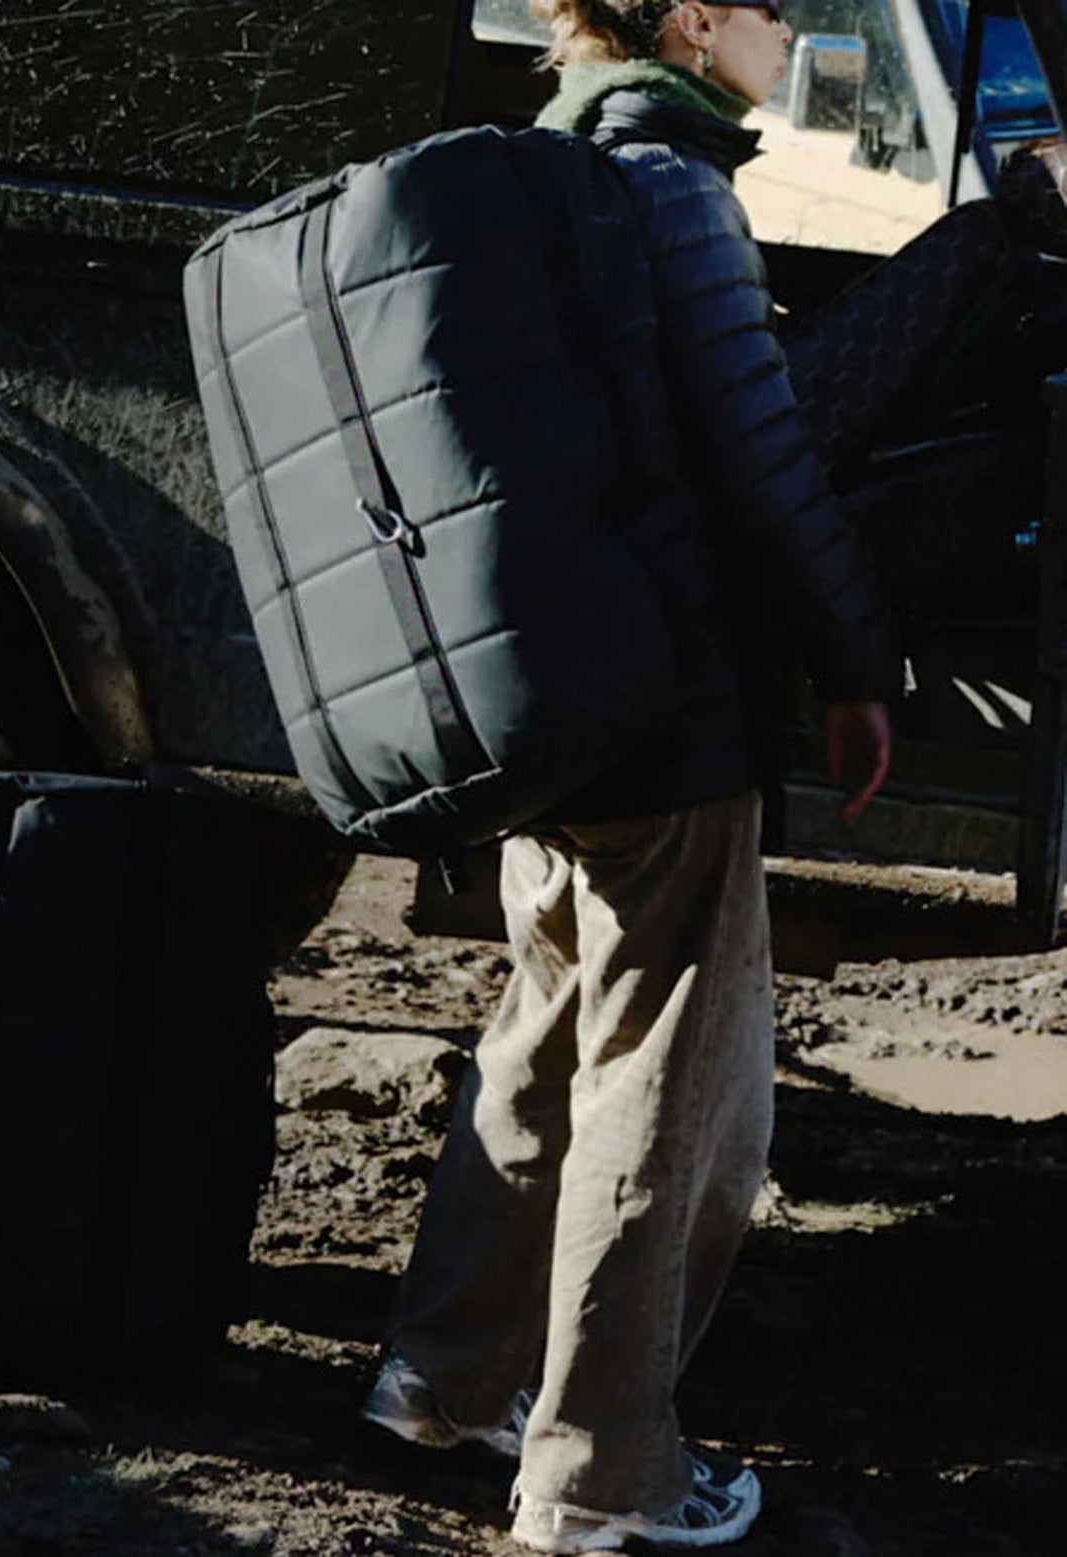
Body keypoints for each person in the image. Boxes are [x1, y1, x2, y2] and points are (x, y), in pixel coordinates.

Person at [358, 1, 1064, 1551]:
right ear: (688, 18)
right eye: (764, 3)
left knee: (546, 1039)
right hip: (670, 710)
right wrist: (859, 666)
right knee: (675, 1105)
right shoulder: (674, 185)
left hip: (556, 692)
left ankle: (440, 1381)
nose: (786, 23)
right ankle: (602, 1476)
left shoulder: (545, 160)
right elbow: (768, 458)